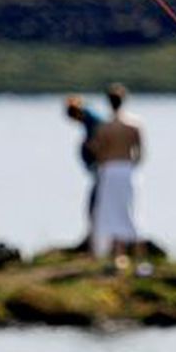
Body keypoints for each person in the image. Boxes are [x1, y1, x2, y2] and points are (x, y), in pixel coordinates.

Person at [89, 84, 147, 271]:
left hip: (109, 170)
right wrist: (131, 166)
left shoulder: (104, 127)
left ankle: (119, 257)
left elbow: (97, 152)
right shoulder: (134, 125)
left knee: (110, 213)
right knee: (128, 211)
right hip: (127, 170)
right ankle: (136, 258)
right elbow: (140, 153)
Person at [64, 94, 104, 248]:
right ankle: (94, 239)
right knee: (95, 206)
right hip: (98, 169)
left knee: (95, 206)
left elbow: (100, 142)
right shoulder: (90, 120)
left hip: (101, 170)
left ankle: (95, 241)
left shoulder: (93, 120)